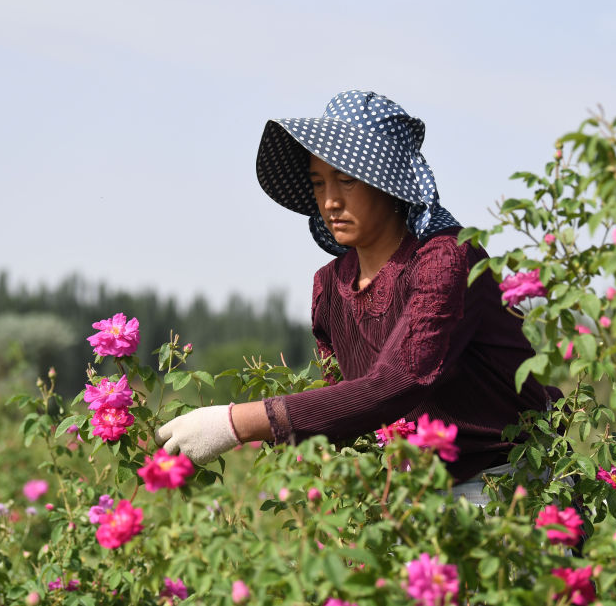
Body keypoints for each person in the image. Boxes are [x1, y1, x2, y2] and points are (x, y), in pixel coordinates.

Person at [156, 90, 560, 492]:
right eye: (319, 183)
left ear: (387, 182)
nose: (330, 201)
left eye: (346, 180)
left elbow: (395, 383)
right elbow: (347, 402)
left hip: (499, 486)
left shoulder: (445, 260)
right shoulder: (330, 286)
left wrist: (235, 423)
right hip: (409, 492)